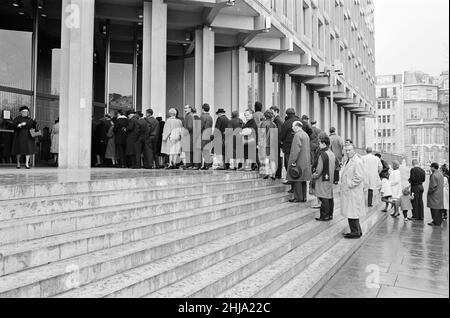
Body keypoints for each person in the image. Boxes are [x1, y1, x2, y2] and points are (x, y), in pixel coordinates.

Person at [341, 143, 366, 239]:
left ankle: (355, 232)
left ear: (354, 150)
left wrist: (350, 184)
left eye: (349, 150)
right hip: (349, 191)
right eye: (346, 150)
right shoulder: (348, 160)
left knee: (353, 212)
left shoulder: (357, 161)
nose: (347, 152)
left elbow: (359, 176)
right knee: (351, 212)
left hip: (353, 191)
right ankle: (357, 231)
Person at [312, 135, 336, 221]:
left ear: (324, 143)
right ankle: (330, 215)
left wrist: (314, 175)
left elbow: (319, 169)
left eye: (320, 143)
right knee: (329, 196)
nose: (319, 145)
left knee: (323, 197)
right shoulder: (331, 153)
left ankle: (324, 216)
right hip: (330, 178)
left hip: (323, 178)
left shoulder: (322, 154)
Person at [287, 121, 312, 203]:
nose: (292, 128)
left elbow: (295, 150)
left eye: (293, 126)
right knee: (303, 180)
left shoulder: (297, 135)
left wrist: (293, 161)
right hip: (305, 160)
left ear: (297, 126)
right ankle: (304, 197)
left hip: (299, 161)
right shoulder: (305, 134)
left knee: (297, 179)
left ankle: (298, 197)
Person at [280, 108, 301, 189]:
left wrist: (283, 143)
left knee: (289, 165)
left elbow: (282, 136)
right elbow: (309, 131)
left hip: (288, 148)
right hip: (299, 149)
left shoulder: (286, 123)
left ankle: (292, 184)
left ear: (287, 114)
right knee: (297, 167)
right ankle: (295, 188)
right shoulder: (301, 122)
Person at [259, 110, 278, 180]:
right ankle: (273, 174)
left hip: (265, 144)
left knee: (266, 159)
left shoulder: (263, 124)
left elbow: (261, 135)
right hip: (273, 144)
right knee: (272, 160)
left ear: (265, 116)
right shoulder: (274, 124)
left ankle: (267, 173)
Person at [427, 162, 445, 226]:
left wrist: (429, 192)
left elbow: (432, 186)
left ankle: (435, 221)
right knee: (439, 208)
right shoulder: (440, 174)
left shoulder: (434, 175)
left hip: (434, 194)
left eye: (431, 167)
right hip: (440, 193)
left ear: (433, 167)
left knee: (434, 209)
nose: (430, 168)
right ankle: (438, 221)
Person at [270, 106, 284, 179]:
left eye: (272, 112)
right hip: (279, 141)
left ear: (276, 111)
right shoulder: (279, 119)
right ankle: (278, 173)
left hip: (277, 141)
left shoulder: (277, 120)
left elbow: (278, 131)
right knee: (278, 157)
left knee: (277, 158)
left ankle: (277, 173)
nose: (271, 114)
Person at [200, 104, 213, 170]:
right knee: (207, 150)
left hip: (203, 135)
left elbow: (200, 127)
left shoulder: (202, 117)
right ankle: (207, 164)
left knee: (203, 151)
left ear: (202, 109)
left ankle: (204, 165)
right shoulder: (210, 117)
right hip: (209, 135)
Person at [182, 105, 195, 169]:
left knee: (189, 150)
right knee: (188, 150)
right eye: (184, 108)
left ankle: (189, 164)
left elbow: (190, 126)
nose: (185, 109)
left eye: (186, 108)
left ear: (190, 109)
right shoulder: (188, 115)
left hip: (189, 135)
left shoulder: (190, 116)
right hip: (188, 135)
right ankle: (188, 164)